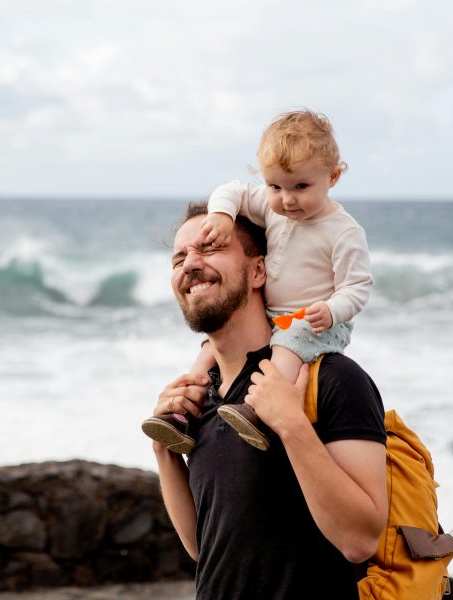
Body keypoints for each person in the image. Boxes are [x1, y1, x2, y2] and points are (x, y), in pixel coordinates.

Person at [150, 202, 387, 599]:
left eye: (209, 248)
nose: (190, 263)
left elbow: (360, 540)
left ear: (258, 270)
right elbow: (204, 549)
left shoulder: (331, 379)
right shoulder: (202, 398)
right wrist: (164, 452)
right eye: (179, 257)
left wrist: (291, 425)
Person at [143, 109, 373, 452]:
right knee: (210, 349)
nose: (287, 199)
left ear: (334, 177)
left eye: (301, 186)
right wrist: (221, 217)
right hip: (275, 314)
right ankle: (183, 413)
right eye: (275, 186)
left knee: (287, 343)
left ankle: (258, 413)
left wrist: (332, 309)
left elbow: (357, 286)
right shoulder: (272, 207)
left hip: (316, 320)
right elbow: (231, 191)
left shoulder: (344, 232)